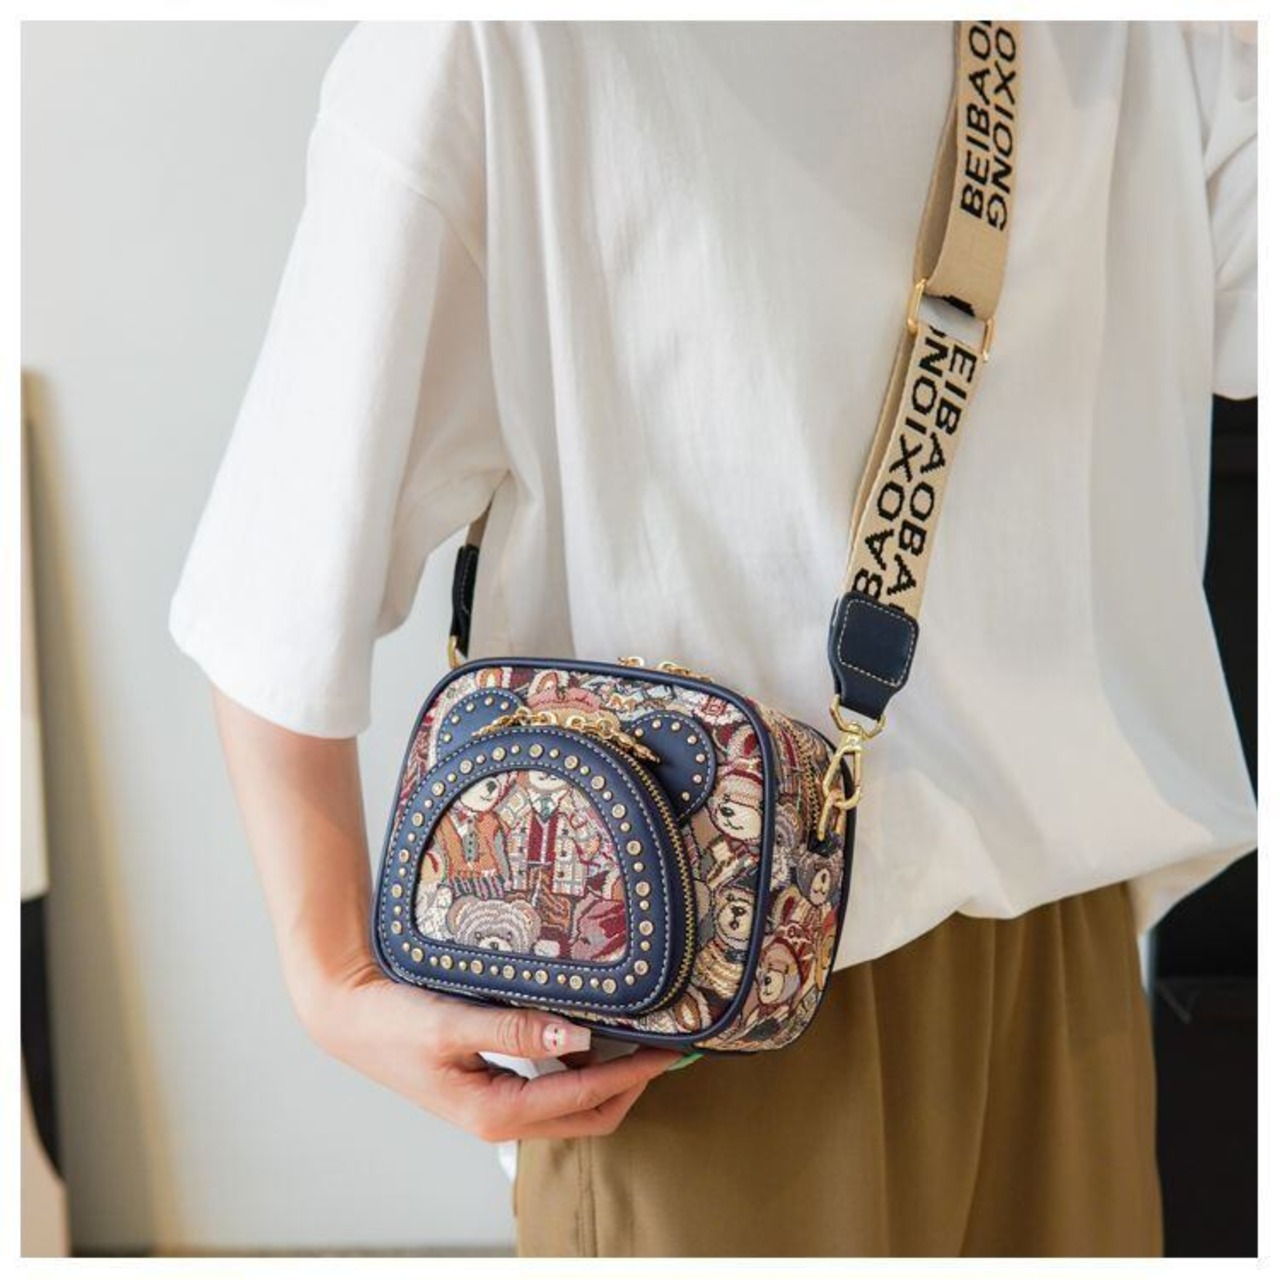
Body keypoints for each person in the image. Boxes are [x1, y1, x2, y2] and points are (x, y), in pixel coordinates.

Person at [168, 21, 1257, 1257]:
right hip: (715, 1005)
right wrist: (330, 979)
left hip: (1030, 960)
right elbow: (286, 571)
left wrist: (333, 976)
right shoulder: (498, 40)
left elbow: (276, 574)